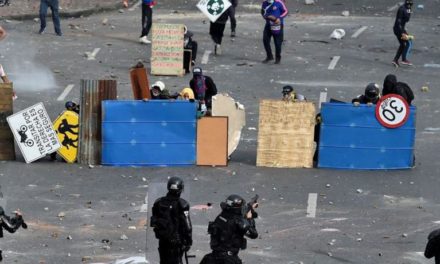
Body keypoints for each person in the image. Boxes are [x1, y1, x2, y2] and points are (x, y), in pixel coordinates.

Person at [200, 194, 258, 264]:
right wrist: (249, 218)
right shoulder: (238, 221)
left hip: (214, 257)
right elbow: (253, 234)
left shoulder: (221, 216)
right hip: (228, 259)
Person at [150, 177, 192, 264]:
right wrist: (188, 242)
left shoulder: (158, 202)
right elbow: (187, 226)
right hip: (176, 241)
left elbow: (154, 220)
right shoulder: (182, 204)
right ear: (180, 189)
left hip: (163, 239)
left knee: (163, 261)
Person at [261, 0, 288, 64]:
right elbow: (263, 12)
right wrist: (267, 17)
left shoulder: (279, 2)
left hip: (278, 25)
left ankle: (278, 58)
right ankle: (269, 56)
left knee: (278, 43)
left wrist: (279, 18)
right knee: (265, 40)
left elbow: (286, 11)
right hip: (268, 25)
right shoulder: (264, 3)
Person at [392, 0, 413, 67]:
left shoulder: (407, 8)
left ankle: (395, 60)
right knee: (408, 42)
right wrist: (402, 33)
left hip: (400, 29)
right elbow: (398, 22)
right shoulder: (401, 9)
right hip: (398, 29)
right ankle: (404, 59)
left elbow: (407, 19)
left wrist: (409, 10)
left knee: (403, 44)